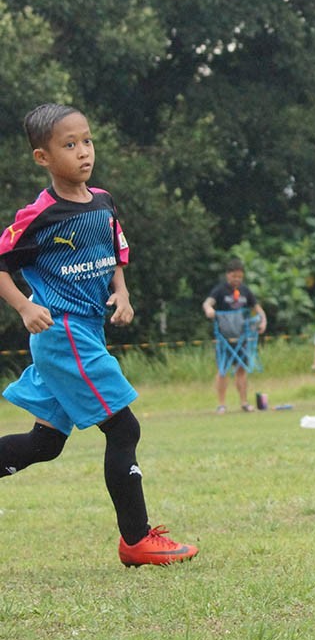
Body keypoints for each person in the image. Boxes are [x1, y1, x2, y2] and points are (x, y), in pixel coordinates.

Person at [0, 103, 198, 566]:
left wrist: (122, 294)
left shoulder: (103, 202)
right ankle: (137, 541)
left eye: (86, 141)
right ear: (42, 157)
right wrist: (25, 305)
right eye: (69, 145)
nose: (83, 152)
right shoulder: (38, 216)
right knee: (124, 426)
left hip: (86, 332)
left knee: (45, 445)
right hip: (62, 333)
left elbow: (114, 252)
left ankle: (137, 540)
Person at [201, 258, 266, 413]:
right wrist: (208, 309)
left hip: (242, 337)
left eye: (239, 277)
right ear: (228, 275)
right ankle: (221, 404)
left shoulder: (245, 291)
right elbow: (207, 303)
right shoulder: (220, 290)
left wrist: (263, 321)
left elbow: (257, 308)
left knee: (242, 369)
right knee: (222, 370)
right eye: (234, 276)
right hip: (224, 338)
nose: (236, 280)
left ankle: (244, 402)